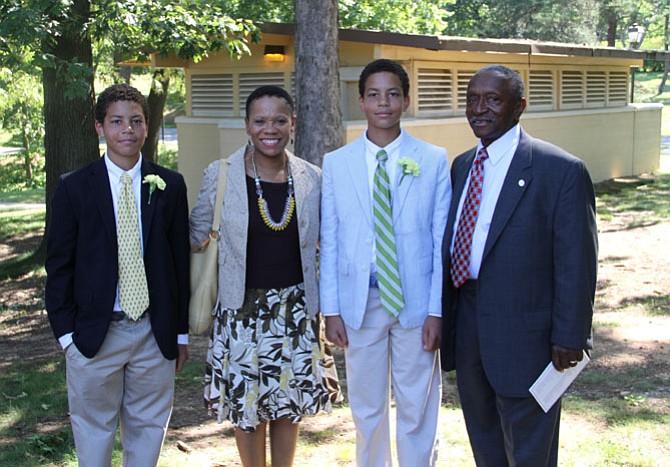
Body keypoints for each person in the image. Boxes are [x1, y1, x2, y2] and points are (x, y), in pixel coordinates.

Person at [440, 65, 598, 466]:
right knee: (485, 440)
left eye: (493, 99)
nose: (480, 109)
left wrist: (571, 335)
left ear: (518, 107)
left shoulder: (559, 170)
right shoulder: (461, 166)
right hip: (470, 327)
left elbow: (576, 262)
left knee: (530, 451)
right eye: (472, 99)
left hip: (529, 336)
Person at [190, 85, 339, 467]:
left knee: (288, 407)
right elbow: (195, 236)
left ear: (293, 123)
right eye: (259, 121)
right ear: (246, 125)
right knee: (247, 409)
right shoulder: (221, 174)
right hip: (240, 311)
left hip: (295, 311)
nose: (268, 129)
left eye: (278, 120)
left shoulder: (312, 178)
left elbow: (330, 242)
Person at [45, 83, 190, 466]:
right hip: (94, 332)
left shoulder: (169, 185)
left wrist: (178, 333)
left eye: (136, 121)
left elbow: (179, 263)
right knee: (94, 431)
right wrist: (66, 338)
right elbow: (59, 265)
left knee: (148, 429)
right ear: (100, 127)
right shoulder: (74, 188)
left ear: (147, 128)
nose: (127, 129)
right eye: (117, 121)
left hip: (152, 332)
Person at [320, 59, 451, 466]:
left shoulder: (431, 159)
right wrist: (332, 309)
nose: (384, 103)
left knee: (418, 405)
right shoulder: (337, 163)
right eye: (374, 94)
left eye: (393, 94)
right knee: (367, 407)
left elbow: (438, 240)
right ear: (360, 101)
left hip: (415, 303)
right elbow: (330, 240)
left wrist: (436, 310)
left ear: (406, 101)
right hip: (361, 302)